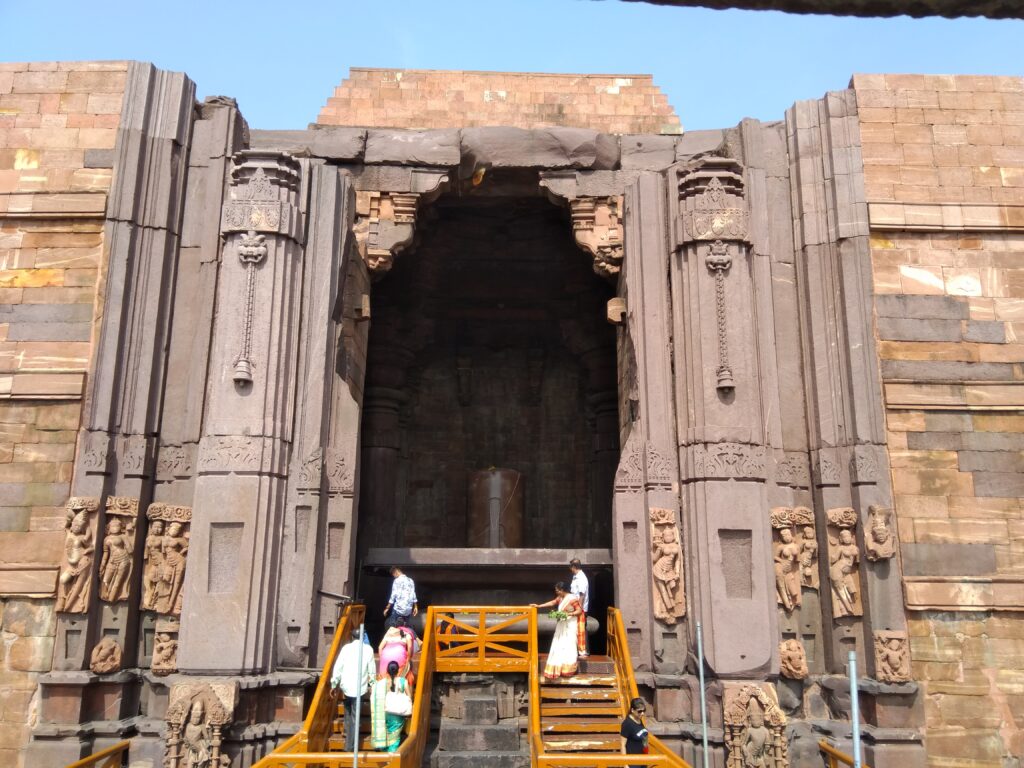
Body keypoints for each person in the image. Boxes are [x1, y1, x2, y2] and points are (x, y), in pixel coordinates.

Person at [330, 627, 376, 752]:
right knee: (355, 718)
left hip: (346, 686)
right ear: (362, 637)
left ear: (352, 637)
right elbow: (371, 670)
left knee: (348, 712)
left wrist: (334, 684)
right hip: (359, 688)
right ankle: (349, 746)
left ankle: (347, 735)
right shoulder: (368, 650)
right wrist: (372, 684)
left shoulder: (346, 649)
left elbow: (338, 666)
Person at [533, 582, 583, 679]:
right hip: (561, 624)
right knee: (559, 644)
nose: (556, 592)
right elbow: (552, 602)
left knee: (569, 645)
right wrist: (539, 606)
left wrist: (569, 614)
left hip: (570, 624)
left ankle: (568, 670)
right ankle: (558, 668)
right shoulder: (560, 598)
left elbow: (579, 611)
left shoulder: (572, 598)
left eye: (557, 590)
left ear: (562, 590)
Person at [371, 660, 411, 752]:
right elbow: (409, 696)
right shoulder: (403, 681)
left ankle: (384, 754)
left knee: (386, 733)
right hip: (398, 713)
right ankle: (391, 756)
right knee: (395, 736)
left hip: (385, 712)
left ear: (387, 671)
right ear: (398, 671)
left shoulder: (381, 683)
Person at [620, 697, 649, 768]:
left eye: (644, 710)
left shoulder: (639, 719)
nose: (642, 713)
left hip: (642, 759)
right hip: (633, 762)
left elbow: (643, 736)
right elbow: (622, 745)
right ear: (632, 710)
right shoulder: (627, 724)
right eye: (639, 711)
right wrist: (625, 764)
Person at [569, 558, 590, 657]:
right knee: (578, 629)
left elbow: (582, 593)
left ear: (574, 567)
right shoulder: (575, 577)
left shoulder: (581, 577)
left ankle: (583, 650)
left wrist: (579, 607)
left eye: (571, 567)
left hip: (580, 608)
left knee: (581, 629)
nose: (570, 569)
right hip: (575, 606)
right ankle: (579, 649)